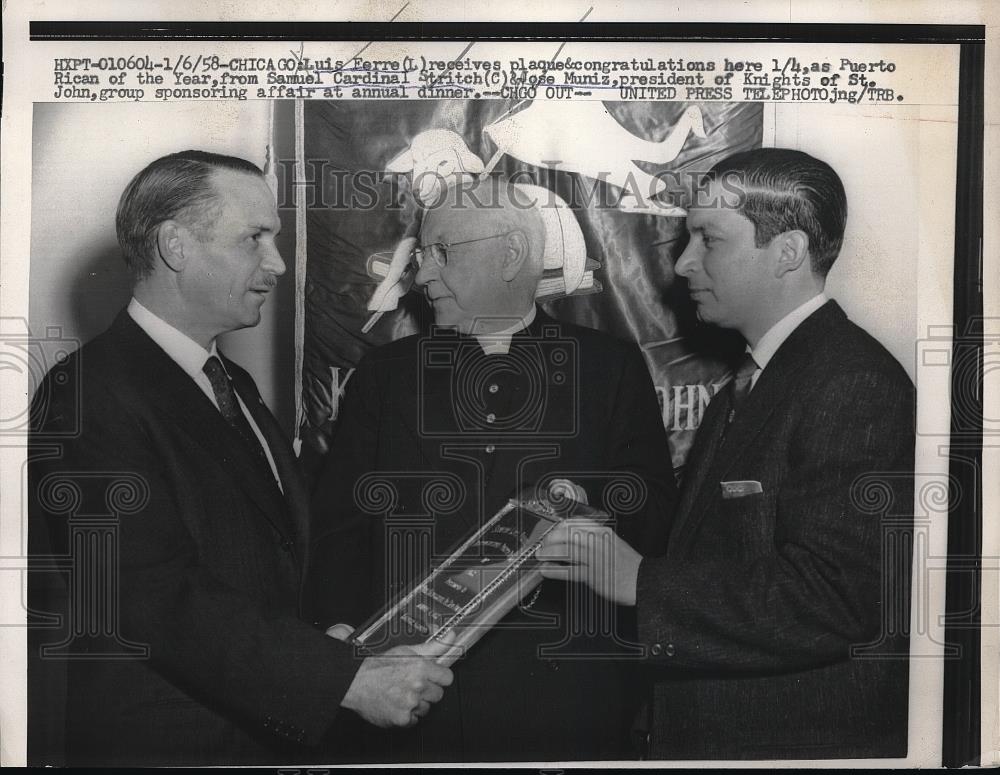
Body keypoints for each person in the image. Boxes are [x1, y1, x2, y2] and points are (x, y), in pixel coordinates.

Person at [27, 150, 453, 767]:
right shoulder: (86, 393)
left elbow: (263, 558)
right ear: (176, 246)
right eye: (255, 237)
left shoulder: (231, 383)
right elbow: (148, 592)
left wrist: (320, 642)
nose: (277, 263)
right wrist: (343, 681)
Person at [538, 147, 915, 760]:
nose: (684, 264)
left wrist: (641, 582)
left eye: (707, 239)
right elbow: (716, 550)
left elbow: (840, 598)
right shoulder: (754, 381)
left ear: (787, 252)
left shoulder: (852, 382)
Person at [305, 178, 677, 762]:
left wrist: (587, 499)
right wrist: (341, 642)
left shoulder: (610, 367)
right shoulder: (385, 376)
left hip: (564, 701)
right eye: (422, 256)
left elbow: (653, 509)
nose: (422, 275)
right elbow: (339, 528)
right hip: (410, 700)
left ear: (511, 255)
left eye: (442, 253)